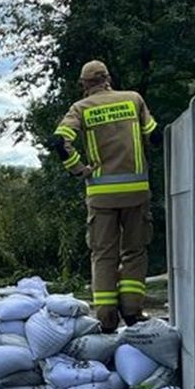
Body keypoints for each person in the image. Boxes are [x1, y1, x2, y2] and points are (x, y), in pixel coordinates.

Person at [47, 60, 163, 332]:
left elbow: (58, 141)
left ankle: (107, 318)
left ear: (85, 85)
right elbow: (154, 135)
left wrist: (79, 169)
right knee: (134, 252)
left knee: (103, 255)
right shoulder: (133, 100)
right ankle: (133, 313)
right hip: (136, 192)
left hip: (101, 195)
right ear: (108, 78)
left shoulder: (81, 108)